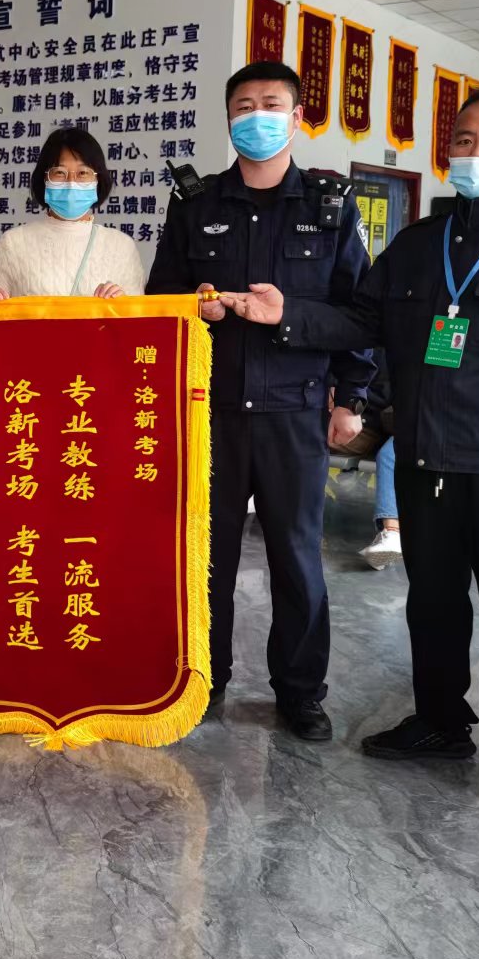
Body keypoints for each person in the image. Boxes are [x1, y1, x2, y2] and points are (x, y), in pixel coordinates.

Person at [218, 86, 479, 821]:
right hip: (425, 462)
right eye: (464, 141)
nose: (478, 153)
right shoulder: (418, 245)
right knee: (433, 603)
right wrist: (288, 314)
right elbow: (360, 320)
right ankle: (441, 722)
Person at [147, 60, 374, 741]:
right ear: (228, 118)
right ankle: (204, 678)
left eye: (271, 105)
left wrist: (348, 393)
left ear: (296, 118)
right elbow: (159, 302)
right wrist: (195, 308)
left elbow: (359, 317)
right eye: (243, 106)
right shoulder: (196, 206)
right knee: (204, 555)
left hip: (294, 411)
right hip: (208, 412)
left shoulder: (329, 206)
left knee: (297, 559)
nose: (256, 117)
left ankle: (300, 693)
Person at [0, 126, 147, 300]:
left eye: (83, 173)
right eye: (59, 172)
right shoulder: (13, 243)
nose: (71, 182)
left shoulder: (121, 247)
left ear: (98, 180)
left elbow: (142, 315)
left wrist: (123, 304)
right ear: (44, 179)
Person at [327, 353, 401, 569]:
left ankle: (391, 533)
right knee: (307, 436)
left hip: (409, 423)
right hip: (367, 419)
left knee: (390, 455)